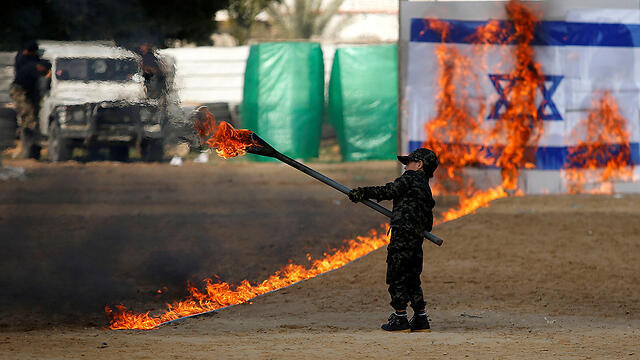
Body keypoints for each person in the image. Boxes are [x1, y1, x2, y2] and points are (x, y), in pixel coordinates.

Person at [348, 148, 438, 332]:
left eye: (409, 162)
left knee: (397, 275)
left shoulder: (410, 178)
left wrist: (362, 192)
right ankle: (421, 319)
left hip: (402, 235)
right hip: (416, 238)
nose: (405, 166)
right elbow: (428, 222)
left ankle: (400, 318)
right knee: (412, 276)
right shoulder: (425, 187)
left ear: (419, 164)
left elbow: (389, 191)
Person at [10, 59, 51, 159]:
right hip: (19, 90)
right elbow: (42, 80)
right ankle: (27, 128)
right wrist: (49, 74)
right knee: (27, 114)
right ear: (41, 66)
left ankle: (29, 130)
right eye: (44, 69)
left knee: (31, 115)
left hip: (27, 92)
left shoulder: (32, 67)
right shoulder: (33, 69)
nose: (44, 71)